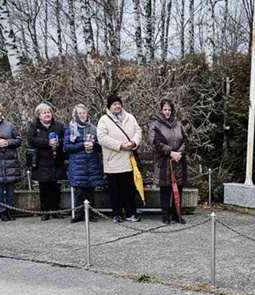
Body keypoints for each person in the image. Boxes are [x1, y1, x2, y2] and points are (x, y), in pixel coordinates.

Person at [98, 94, 142, 223]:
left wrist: (133, 143)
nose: (117, 106)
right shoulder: (104, 120)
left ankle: (131, 212)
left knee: (129, 189)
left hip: (129, 160)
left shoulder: (130, 118)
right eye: (114, 104)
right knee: (115, 190)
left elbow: (138, 131)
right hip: (113, 161)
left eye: (118, 103)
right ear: (109, 107)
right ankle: (117, 213)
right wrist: (120, 145)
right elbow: (102, 138)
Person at [149, 99, 188, 225]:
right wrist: (171, 152)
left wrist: (179, 153)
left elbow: (185, 141)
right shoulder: (155, 125)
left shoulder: (178, 125)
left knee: (178, 189)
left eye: (169, 110)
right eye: (165, 109)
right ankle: (165, 216)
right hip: (164, 162)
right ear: (161, 110)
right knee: (165, 190)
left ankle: (177, 214)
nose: (167, 112)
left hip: (178, 161)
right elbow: (156, 143)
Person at [64, 104, 105, 223]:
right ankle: (78, 214)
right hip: (77, 164)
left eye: (83, 113)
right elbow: (66, 147)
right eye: (79, 113)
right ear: (75, 115)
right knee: (79, 192)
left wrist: (94, 145)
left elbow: (101, 145)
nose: (82, 115)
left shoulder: (94, 128)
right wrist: (81, 145)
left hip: (91, 163)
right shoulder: (70, 129)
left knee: (91, 191)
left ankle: (91, 214)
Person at [27, 103, 67, 221]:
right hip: (41, 161)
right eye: (44, 113)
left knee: (56, 187)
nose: (47, 114)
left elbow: (66, 138)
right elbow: (31, 140)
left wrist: (57, 142)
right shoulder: (34, 126)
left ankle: (56, 210)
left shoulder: (59, 126)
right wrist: (47, 142)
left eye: (48, 112)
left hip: (56, 160)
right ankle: (45, 211)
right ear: (39, 115)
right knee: (44, 187)